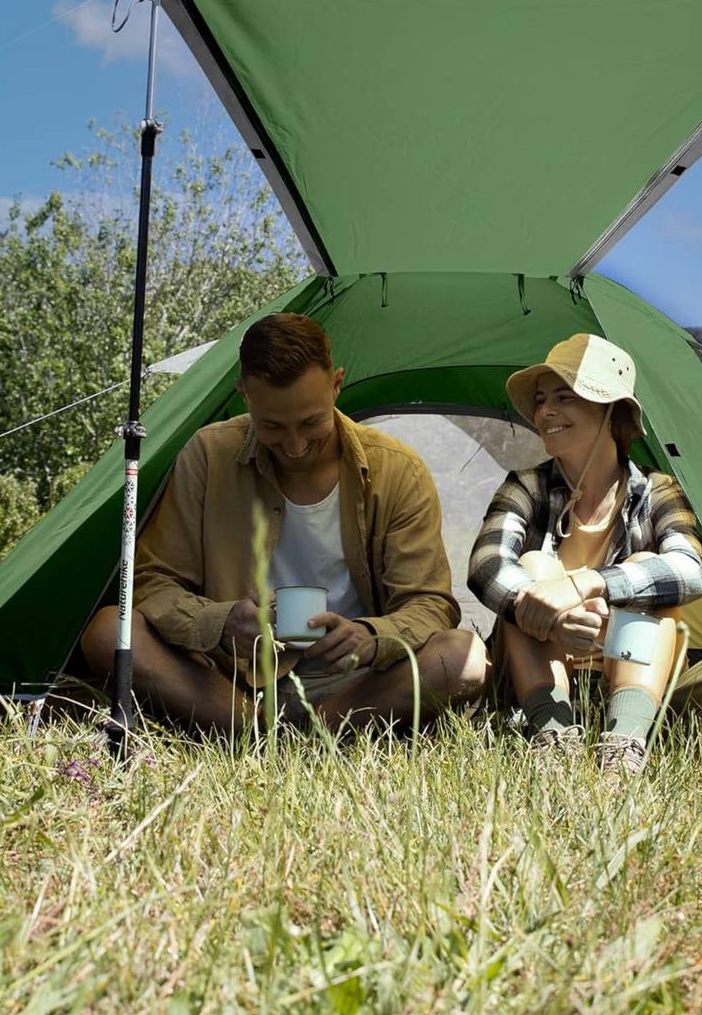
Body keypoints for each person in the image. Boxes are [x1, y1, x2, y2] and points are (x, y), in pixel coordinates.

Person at [82, 312, 487, 735]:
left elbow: (430, 605)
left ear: (337, 385)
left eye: (311, 422)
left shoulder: (398, 469)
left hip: (354, 680)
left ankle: (315, 732)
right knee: (109, 630)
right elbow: (152, 583)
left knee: (463, 657)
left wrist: (370, 636)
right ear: (244, 395)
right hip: (229, 677)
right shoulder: (208, 454)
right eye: (272, 426)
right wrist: (220, 623)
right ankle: (257, 729)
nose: (295, 446)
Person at [468, 333, 702, 777]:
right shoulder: (527, 485)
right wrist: (553, 616)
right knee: (534, 568)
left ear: (611, 410)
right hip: (538, 675)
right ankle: (554, 738)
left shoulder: (657, 491)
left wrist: (587, 584)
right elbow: (486, 566)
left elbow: (690, 569)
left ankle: (623, 744)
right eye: (541, 400)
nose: (545, 412)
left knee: (645, 569)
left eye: (565, 397)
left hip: (630, 671)